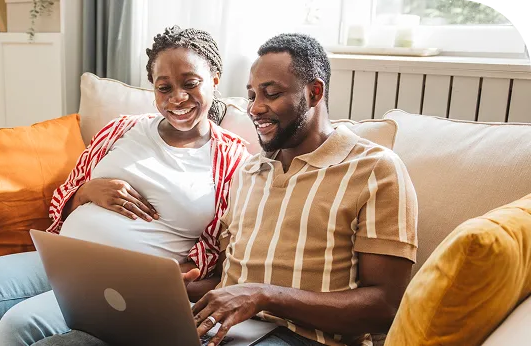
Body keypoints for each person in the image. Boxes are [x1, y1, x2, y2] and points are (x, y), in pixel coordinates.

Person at [35, 33, 418, 346]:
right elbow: (229, 279)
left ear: (314, 93)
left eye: (271, 93)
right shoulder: (249, 172)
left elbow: (385, 304)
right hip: (221, 327)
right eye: (252, 95)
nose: (255, 108)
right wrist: (154, 283)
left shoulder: (374, 169)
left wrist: (262, 296)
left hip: (301, 337)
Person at [0, 25, 251, 346]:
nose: (177, 97)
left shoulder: (233, 159)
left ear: (214, 80)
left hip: (123, 281)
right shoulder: (122, 129)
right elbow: (63, 199)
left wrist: (177, 283)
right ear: (153, 89)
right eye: (164, 87)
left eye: (190, 83)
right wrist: (88, 192)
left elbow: (226, 252)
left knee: (20, 322)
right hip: (61, 256)